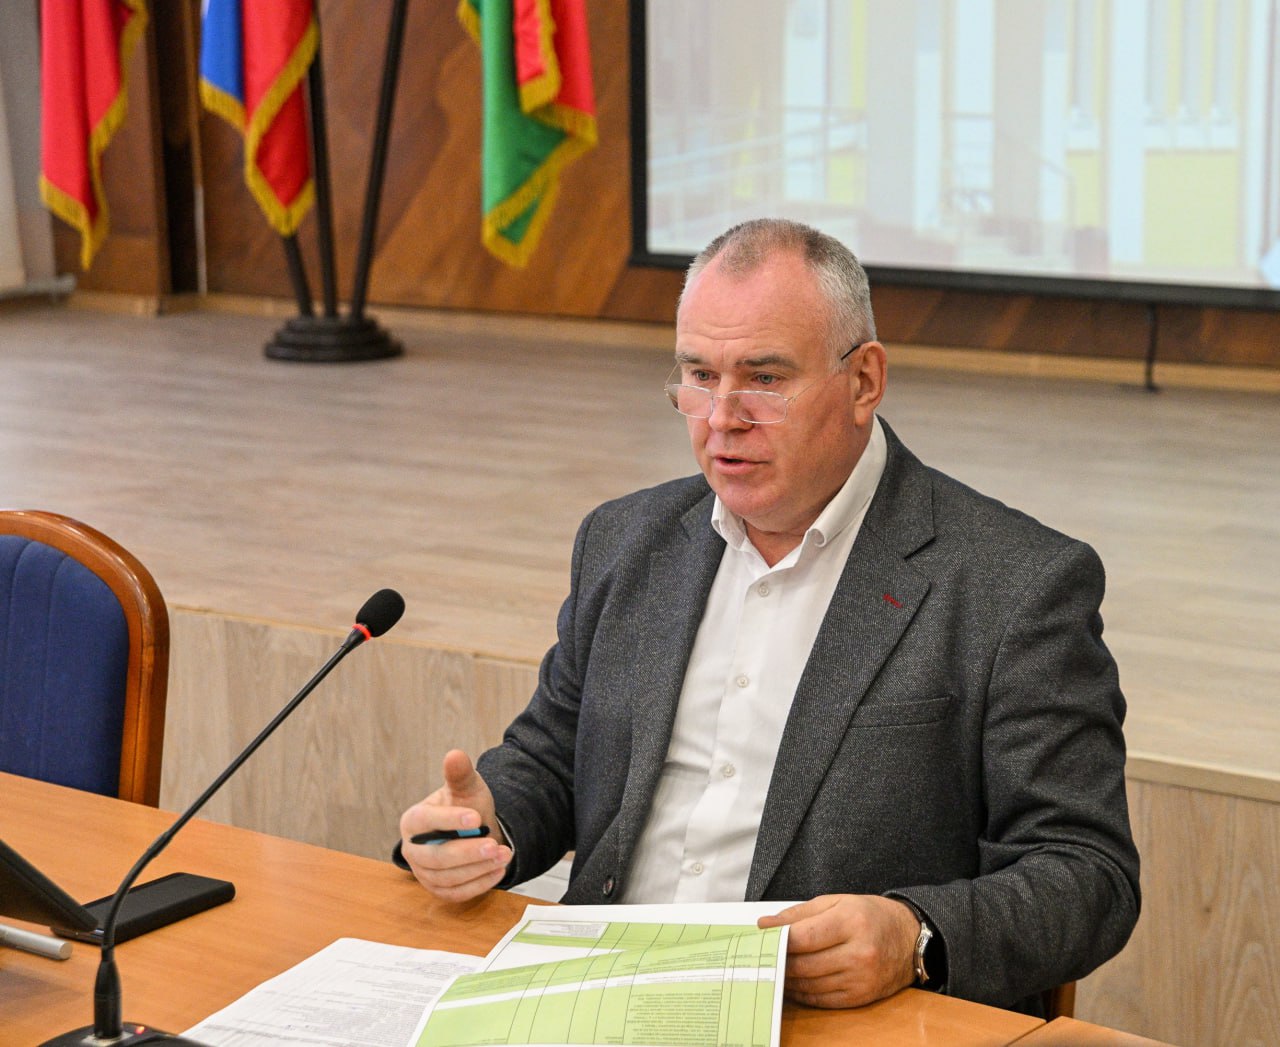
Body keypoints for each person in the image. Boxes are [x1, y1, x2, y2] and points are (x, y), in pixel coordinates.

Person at [396, 218, 1140, 1015]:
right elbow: (553, 757)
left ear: (864, 381)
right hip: (595, 994)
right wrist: (485, 825)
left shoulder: (1014, 585)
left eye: (764, 378)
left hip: (821, 1017)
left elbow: (1086, 872)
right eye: (699, 375)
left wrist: (914, 933)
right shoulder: (625, 540)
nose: (722, 417)